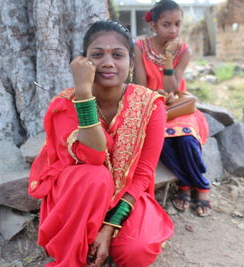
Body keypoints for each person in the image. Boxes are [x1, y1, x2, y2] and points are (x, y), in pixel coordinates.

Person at [28, 20, 173, 267]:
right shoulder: (66, 104)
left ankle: (102, 236)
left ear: (130, 63)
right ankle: (74, 250)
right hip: (80, 195)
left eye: (118, 55)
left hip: (127, 196)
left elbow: (142, 175)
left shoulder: (150, 105)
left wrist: (108, 228)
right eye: (97, 55)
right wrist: (84, 93)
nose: (107, 62)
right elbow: (94, 156)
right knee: (97, 176)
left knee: (136, 252)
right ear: (83, 62)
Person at [134, 0, 212, 217]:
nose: (173, 30)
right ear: (154, 25)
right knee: (163, 142)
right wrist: (155, 95)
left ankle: (202, 185)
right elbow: (141, 85)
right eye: (167, 24)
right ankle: (186, 183)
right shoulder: (140, 47)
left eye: (177, 24)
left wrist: (168, 57)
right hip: (151, 106)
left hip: (179, 107)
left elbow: (173, 88)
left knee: (186, 140)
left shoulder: (184, 51)